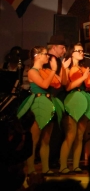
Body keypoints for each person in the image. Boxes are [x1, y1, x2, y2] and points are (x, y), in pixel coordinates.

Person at [17, 47, 65, 175]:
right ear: (37, 56)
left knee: (46, 139)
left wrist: (60, 69)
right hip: (38, 103)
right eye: (45, 54)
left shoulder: (47, 70)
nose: (47, 56)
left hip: (49, 103)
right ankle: (31, 168)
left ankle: (45, 168)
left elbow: (59, 83)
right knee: (34, 139)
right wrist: (53, 70)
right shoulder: (32, 71)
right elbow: (44, 85)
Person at [59, 44, 90, 174]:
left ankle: (76, 165)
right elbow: (67, 87)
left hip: (84, 99)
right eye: (78, 51)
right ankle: (63, 165)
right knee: (71, 134)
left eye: (82, 50)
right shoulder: (67, 68)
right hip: (73, 99)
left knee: (80, 136)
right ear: (72, 53)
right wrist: (83, 77)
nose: (81, 52)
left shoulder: (84, 68)